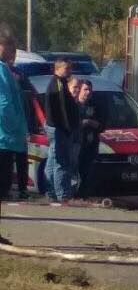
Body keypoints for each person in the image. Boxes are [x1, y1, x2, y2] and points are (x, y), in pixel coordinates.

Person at [44, 60, 79, 204]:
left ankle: (51, 191)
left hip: (57, 127)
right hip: (59, 128)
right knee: (61, 161)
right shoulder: (58, 84)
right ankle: (62, 194)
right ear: (57, 69)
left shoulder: (62, 83)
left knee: (53, 160)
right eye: (66, 68)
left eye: (70, 67)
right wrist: (67, 127)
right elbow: (62, 109)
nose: (69, 70)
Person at [1, 39, 32, 200]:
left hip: (11, 131)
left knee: (11, 165)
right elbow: (4, 101)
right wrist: (12, 125)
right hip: (5, 133)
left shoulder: (8, 70)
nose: (11, 54)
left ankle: (15, 189)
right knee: (5, 168)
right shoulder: (2, 70)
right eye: (8, 49)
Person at [75, 79, 103, 198]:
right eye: (85, 89)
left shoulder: (95, 106)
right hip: (75, 145)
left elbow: (101, 124)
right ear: (79, 90)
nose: (88, 92)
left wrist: (91, 122)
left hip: (90, 145)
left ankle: (84, 195)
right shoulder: (74, 105)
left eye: (90, 90)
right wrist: (83, 123)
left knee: (87, 172)